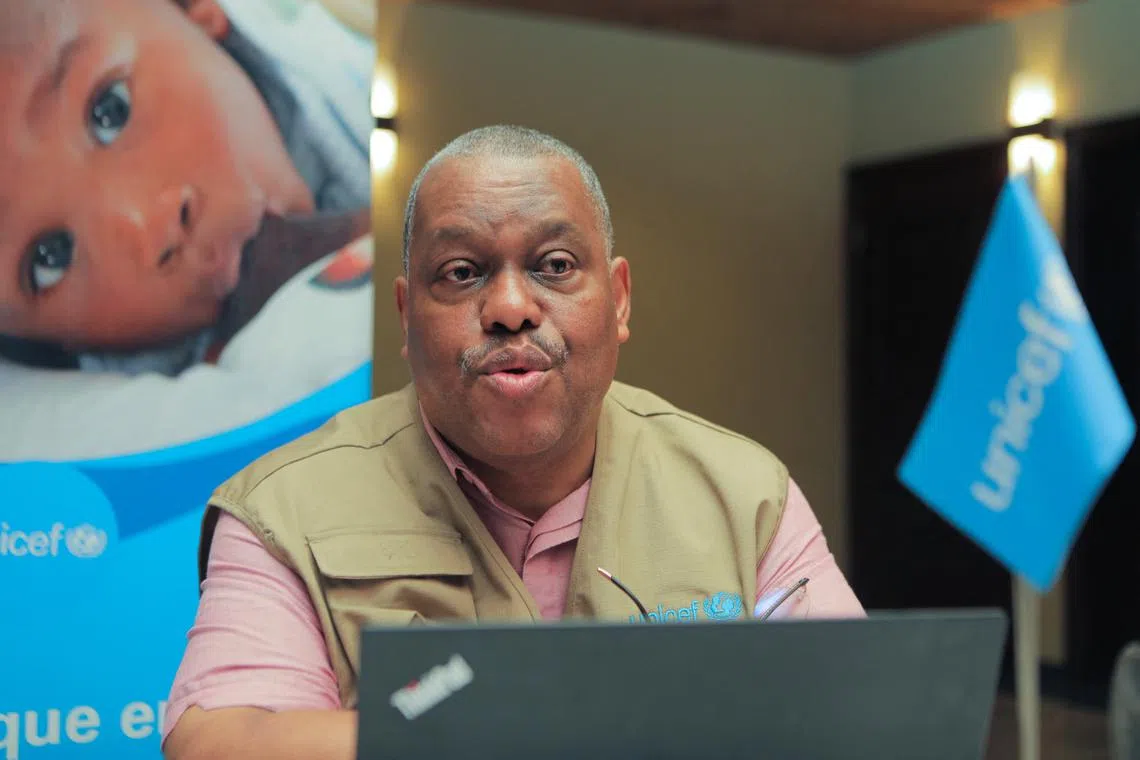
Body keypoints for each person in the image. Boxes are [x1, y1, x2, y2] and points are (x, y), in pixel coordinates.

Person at [161, 125, 865, 760]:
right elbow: (221, 741)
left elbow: (862, 718)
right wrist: (524, 721)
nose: (509, 309)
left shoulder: (741, 492)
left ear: (618, 299)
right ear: (407, 317)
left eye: (555, 265)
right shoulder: (287, 506)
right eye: (462, 273)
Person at [0, 0, 376, 460]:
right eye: (50, 258)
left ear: (197, 14)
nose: (147, 228)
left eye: (110, 111)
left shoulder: (357, 54)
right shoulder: (129, 418)